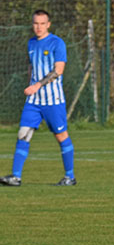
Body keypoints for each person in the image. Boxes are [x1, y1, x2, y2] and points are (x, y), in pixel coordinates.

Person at [0, 10, 76, 187]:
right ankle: (15, 177)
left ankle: (70, 177)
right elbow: (32, 67)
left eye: (42, 23)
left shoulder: (57, 43)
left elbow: (58, 70)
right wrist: (30, 84)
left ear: (48, 24)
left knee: (61, 135)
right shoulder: (31, 43)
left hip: (53, 100)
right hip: (34, 101)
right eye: (35, 23)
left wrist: (37, 85)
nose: (38, 27)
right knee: (23, 134)